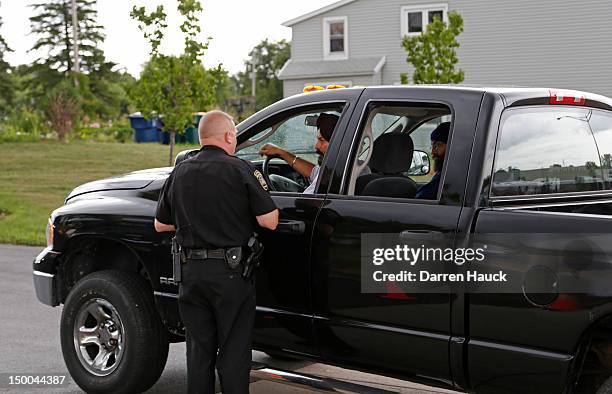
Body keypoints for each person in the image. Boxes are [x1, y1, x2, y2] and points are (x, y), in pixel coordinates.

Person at [154, 110, 279, 394]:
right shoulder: (242, 170)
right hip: (231, 276)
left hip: (190, 275)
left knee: (199, 354)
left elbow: (161, 224)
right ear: (229, 136)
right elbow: (269, 221)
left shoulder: (180, 171)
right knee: (234, 353)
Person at [258, 113, 339, 194]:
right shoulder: (334, 168)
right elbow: (314, 172)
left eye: (321, 140)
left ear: (336, 142)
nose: (316, 146)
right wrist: (280, 152)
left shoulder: (336, 178)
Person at [415, 122, 450, 200]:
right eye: (432, 146)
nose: (433, 152)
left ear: (452, 146)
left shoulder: (445, 178)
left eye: (437, 146)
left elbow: (421, 198)